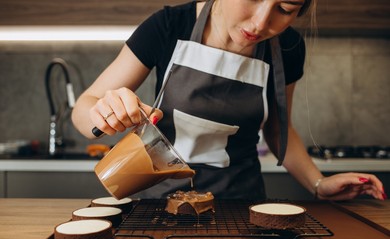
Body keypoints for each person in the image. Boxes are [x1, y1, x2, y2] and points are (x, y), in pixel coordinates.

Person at [72, 0, 385, 201]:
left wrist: (318, 184)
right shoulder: (167, 26)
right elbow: (84, 110)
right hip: (157, 207)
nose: (262, 23)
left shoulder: (288, 47)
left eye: (285, 9)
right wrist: (104, 111)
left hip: (242, 207)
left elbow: (279, 130)